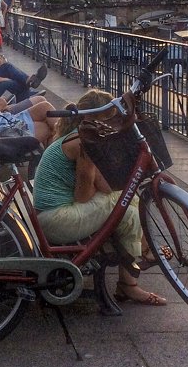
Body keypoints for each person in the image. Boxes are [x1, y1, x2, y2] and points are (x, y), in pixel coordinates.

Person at [32, 89, 166, 306]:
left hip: (48, 217)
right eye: (109, 121)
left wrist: (102, 184)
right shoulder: (84, 145)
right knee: (124, 200)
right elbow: (83, 197)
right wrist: (102, 184)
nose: (112, 128)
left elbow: (102, 185)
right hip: (55, 221)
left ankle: (134, 272)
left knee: (126, 203)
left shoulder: (74, 136)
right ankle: (140, 261)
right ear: (92, 119)